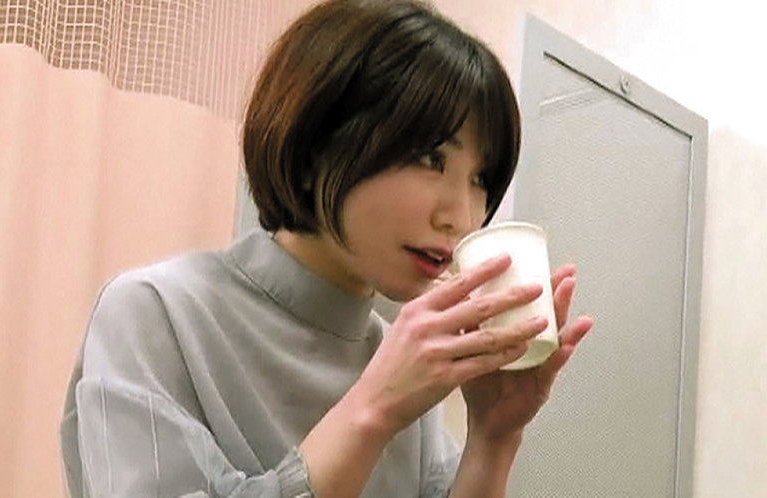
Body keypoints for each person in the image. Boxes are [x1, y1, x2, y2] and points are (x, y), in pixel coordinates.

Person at [60, 0, 593, 496]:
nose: (461, 216)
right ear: (317, 146)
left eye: (481, 178)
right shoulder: (155, 312)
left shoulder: (397, 355)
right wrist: (373, 409)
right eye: (432, 159)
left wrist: (494, 436)